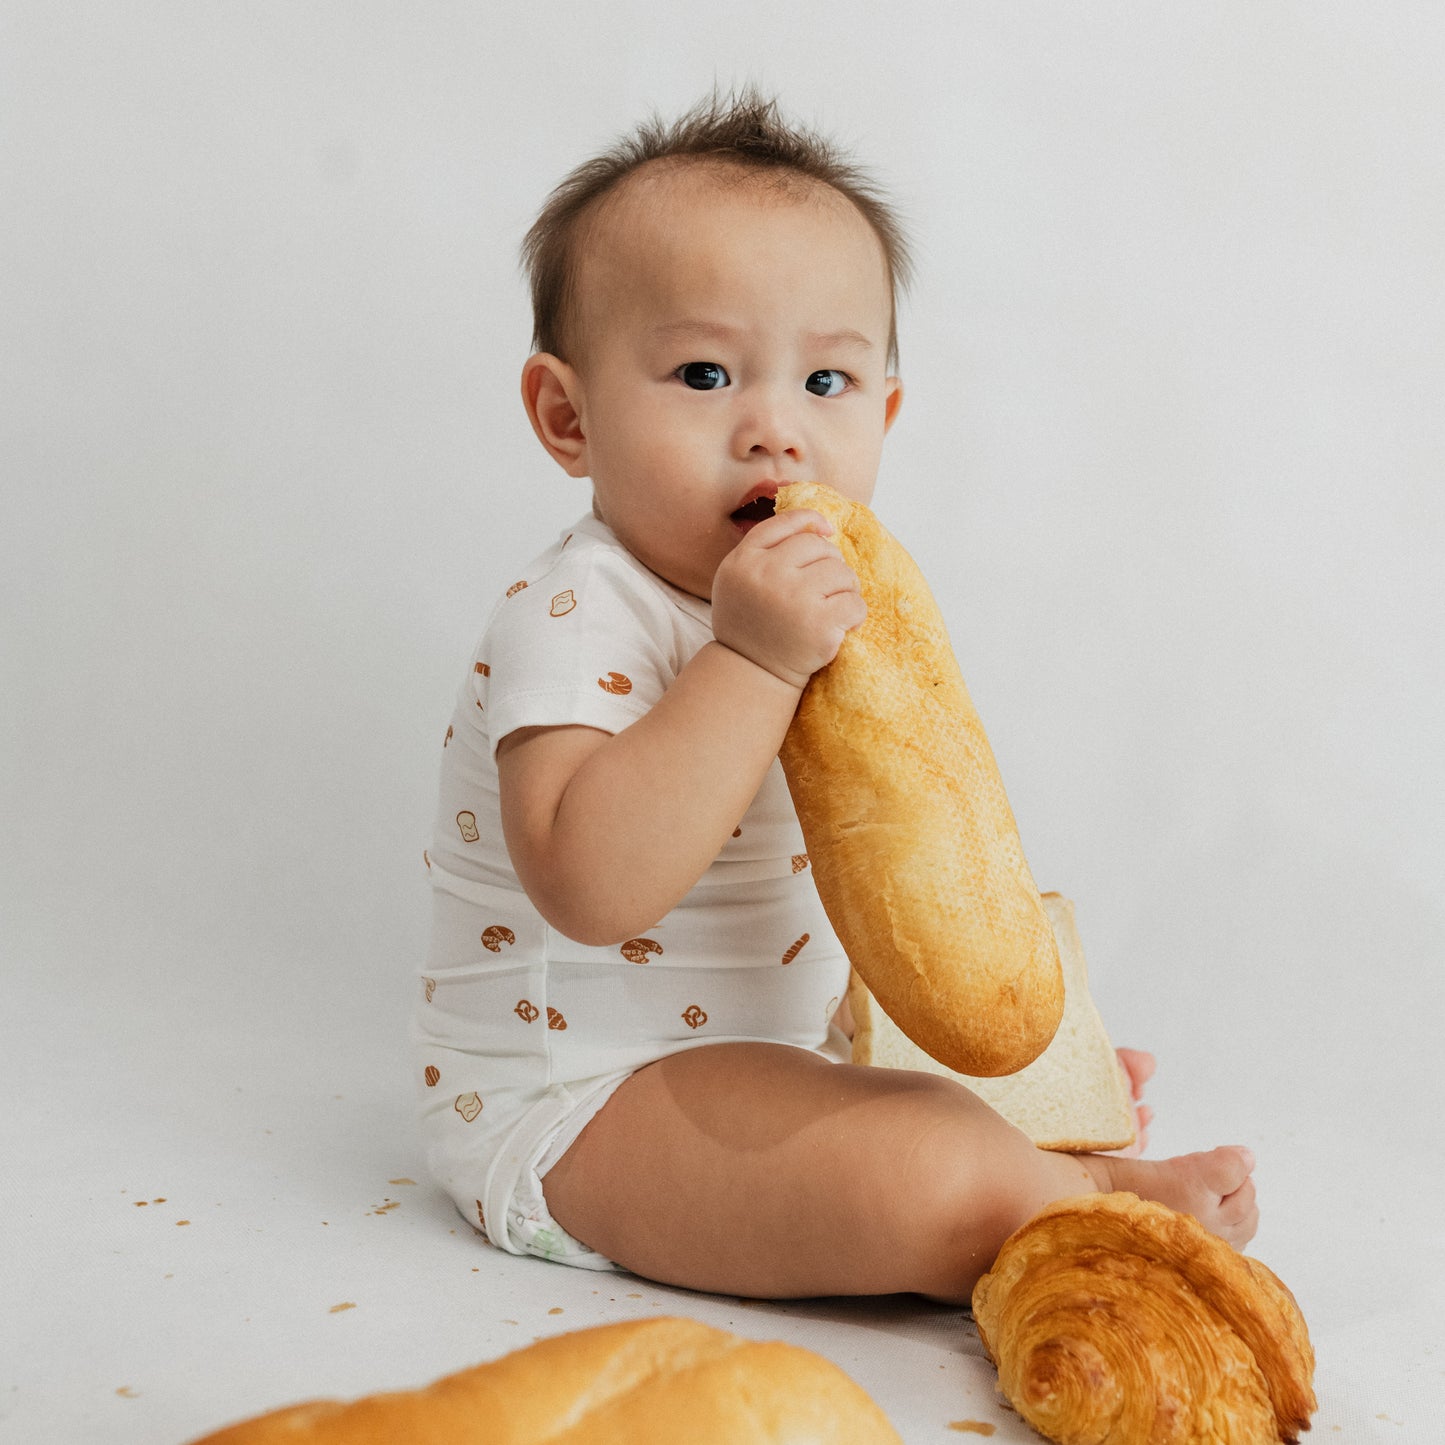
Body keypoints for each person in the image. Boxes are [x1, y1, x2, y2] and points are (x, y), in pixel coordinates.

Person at [414, 90, 1256, 1302]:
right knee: (926, 1172)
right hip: (575, 1103)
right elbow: (590, 883)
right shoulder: (580, 608)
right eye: (704, 373)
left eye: (826, 382)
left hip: (764, 1057)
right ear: (567, 415)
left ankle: (1028, 1162)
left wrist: (975, 1047)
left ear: (885, 411)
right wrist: (749, 666)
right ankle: (1069, 1201)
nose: (775, 433)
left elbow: (871, 868)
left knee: (953, 1104)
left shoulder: (822, 600)